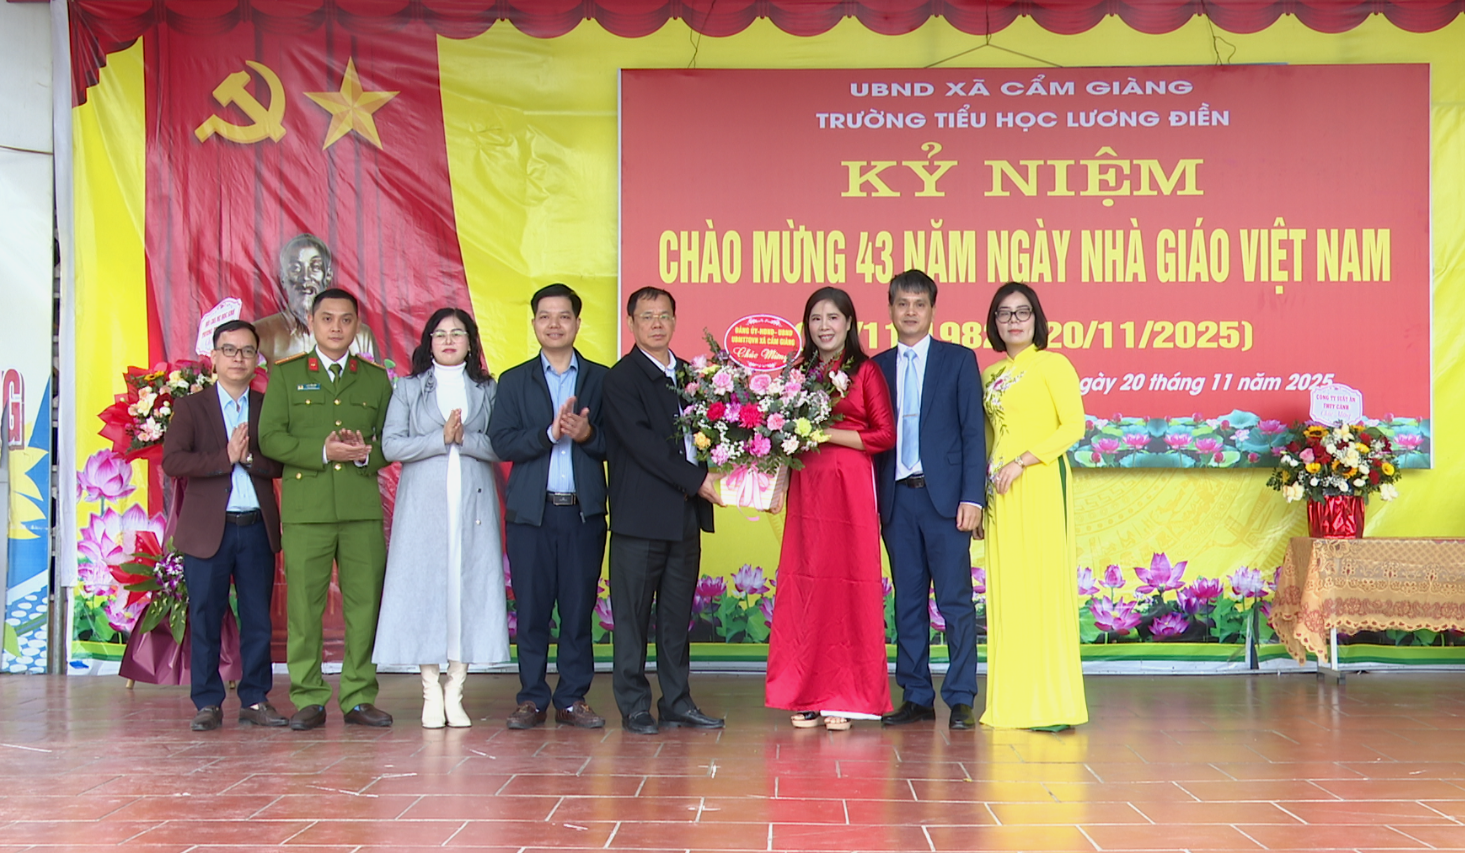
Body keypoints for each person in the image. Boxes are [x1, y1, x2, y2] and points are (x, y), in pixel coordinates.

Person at [259, 287, 394, 730]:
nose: (337, 327)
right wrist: (322, 451)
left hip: (360, 509)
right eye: (328, 319)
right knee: (304, 607)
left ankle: (358, 696)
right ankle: (309, 697)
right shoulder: (287, 375)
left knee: (364, 606)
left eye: (346, 320)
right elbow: (270, 438)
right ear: (312, 323)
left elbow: (391, 441)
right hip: (308, 511)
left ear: (357, 326)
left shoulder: (375, 379)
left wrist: (363, 454)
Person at [765, 287, 896, 731]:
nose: (824, 326)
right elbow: (782, 435)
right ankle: (804, 693)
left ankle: (845, 695)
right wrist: (777, 484)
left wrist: (825, 434)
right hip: (807, 487)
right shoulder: (797, 372)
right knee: (806, 583)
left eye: (833, 318)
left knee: (847, 582)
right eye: (816, 318)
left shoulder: (866, 371)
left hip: (850, 486)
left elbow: (884, 435)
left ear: (849, 323)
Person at [373, 308, 508, 728]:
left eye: (458, 333)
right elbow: (392, 446)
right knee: (425, 593)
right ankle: (430, 690)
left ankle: (456, 690)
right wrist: (439, 438)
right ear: (428, 342)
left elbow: (501, 444)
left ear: (470, 342)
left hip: (474, 508)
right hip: (423, 510)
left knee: (467, 593)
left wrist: (464, 439)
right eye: (440, 334)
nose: (449, 340)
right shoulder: (409, 388)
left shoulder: (487, 389)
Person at [602, 286, 724, 735]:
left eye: (664, 315)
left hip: (684, 517)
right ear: (631, 323)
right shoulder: (621, 379)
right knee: (632, 618)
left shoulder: (692, 376)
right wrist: (697, 481)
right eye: (647, 316)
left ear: (674, 320)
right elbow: (645, 446)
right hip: (640, 519)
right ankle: (634, 705)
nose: (656, 323)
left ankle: (677, 701)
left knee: (676, 618)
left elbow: (712, 434)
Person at [489, 284, 609, 730]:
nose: (554, 324)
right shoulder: (514, 380)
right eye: (545, 316)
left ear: (577, 323)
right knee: (532, 610)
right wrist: (549, 434)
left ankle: (572, 697)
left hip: (582, 512)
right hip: (530, 515)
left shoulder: (601, 379)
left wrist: (586, 435)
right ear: (534, 323)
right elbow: (501, 442)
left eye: (563, 316)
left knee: (578, 610)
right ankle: (532, 698)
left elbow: (619, 444)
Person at [873, 269, 987, 731]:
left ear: (932, 310)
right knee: (908, 601)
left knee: (956, 602)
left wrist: (973, 497)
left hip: (946, 502)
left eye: (919, 304)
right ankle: (916, 695)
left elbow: (973, 432)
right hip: (897, 500)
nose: (910, 312)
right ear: (890, 310)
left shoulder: (958, 360)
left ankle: (960, 697)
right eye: (902, 304)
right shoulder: (876, 367)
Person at [163, 320, 285, 731]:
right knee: (205, 616)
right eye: (230, 350)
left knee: (258, 619)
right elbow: (174, 461)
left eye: (247, 351)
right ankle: (207, 702)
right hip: (206, 531)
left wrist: (247, 459)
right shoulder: (191, 407)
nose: (238, 358)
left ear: (257, 360)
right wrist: (225, 457)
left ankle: (255, 698)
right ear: (213, 357)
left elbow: (281, 462)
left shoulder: (267, 406)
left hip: (255, 527)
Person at [980, 282, 1088, 731]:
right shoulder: (990, 375)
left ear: (1036, 318)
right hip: (1000, 493)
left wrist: (1023, 462)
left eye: (1022, 312)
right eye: (1004, 314)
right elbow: (988, 437)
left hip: (1039, 481)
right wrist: (980, 495)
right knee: (1009, 591)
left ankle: (1052, 703)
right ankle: (1013, 701)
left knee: (1042, 587)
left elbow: (1073, 426)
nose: (1014, 321)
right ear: (995, 322)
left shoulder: (1053, 364)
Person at [254, 234, 378, 365]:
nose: (305, 277)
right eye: (296, 268)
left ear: (328, 276)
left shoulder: (360, 336)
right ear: (283, 278)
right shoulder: (259, 333)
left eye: (315, 267)